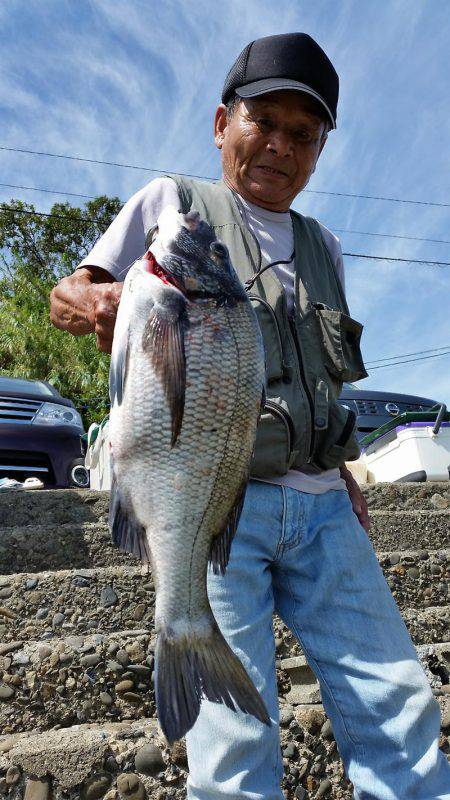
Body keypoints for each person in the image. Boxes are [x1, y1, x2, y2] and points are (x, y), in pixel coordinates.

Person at [50, 32, 450, 800]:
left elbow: (321, 383)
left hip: (327, 509)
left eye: (303, 134)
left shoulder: (325, 246)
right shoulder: (173, 207)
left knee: (398, 705)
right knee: (234, 746)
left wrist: (346, 474)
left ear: (321, 147)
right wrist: (108, 304)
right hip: (217, 501)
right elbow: (71, 293)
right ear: (221, 122)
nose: (279, 146)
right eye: (262, 120)